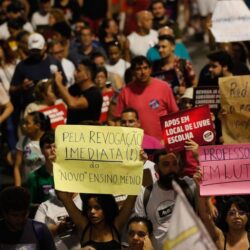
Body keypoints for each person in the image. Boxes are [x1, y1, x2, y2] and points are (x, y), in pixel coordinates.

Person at [134, 146, 198, 249]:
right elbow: (140, 229)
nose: (171, 169)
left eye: (174, 164)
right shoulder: (145, 194)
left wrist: (199, 157)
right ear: (156, 168)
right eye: (166, 164)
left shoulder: (190, 186)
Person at [115, 55, 178, 141]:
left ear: (150, 69)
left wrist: (168, 139)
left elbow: (175, 115)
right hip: (138, 145)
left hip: (163, 143)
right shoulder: (124, 92)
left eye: (145, 68)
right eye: (138, 69)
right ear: (133, 72)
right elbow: (118, 120)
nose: (143, 72)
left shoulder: (164, 87)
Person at [56, 191, 137, 249]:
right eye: (89, 208)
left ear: (107, 208)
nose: (92, 212)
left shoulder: (116, 224)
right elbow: (63, 196)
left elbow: (132, 196)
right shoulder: (84, 224)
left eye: (97, 208)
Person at [194, 170, 250, 250]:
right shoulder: (220, 237)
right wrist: (200, 188)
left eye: (241, 213)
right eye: (231, 213)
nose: (237, 216)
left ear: (248, 217)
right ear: (226, 218)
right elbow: (205, 217)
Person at [54, 59, 103, 124]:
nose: (74, 73)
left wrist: (59, 83)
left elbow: (73, 104)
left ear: (87, 75)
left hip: (87, 132)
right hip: (71, 132)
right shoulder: (74, 88)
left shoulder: (95, 94)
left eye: (78, 71)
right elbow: (60, 94)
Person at [152, 34, 196, 102]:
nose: (160, 50)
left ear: (172, 47)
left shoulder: (183, 63)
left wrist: (186, 92)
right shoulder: (155, 66)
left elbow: (194, 85)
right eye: (158, 47)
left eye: (164, 47)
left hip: (182, 105)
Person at [13, 111, 51, 186]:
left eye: (27, 123)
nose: (24, 126)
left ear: (37, 125)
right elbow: (17, 167)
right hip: (30, 186)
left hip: (48, 186)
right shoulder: (23, 141)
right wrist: (17, 189)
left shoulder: (50, 141)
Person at [26, 130, 55, 207]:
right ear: (42, 151)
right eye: (48, 147)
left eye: (55, 146)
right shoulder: (34, 177)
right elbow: (28, 205)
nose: (52, 150)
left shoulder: (69, 174)